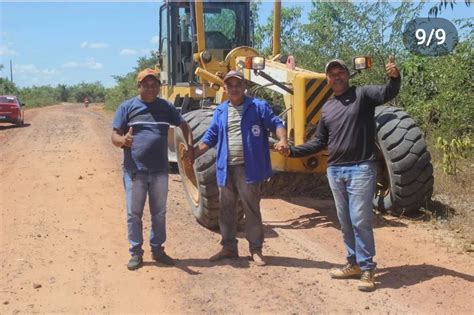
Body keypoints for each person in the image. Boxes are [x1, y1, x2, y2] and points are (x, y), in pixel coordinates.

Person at [275, 57, 400, 291]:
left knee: (360, 219)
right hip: (335, 170)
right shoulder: (328, 108)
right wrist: (291, 151)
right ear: (327, 79)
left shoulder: (363, 95)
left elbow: (386, 92)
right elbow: (319, 142)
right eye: (332, 74)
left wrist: (394, 77)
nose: (337, 76)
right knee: (345, 221)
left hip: (361, 168)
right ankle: (352, 263)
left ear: (347, 74)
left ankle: (367, 269)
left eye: (340, 72)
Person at [189, 70, 288, 266]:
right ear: (224, 88)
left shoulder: (258, 107)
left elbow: (277, 123)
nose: (234, 88)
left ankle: (255, 249)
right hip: (226, 167)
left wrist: (283, 140)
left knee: (251, 209)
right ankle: (228, 247)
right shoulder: (220, 111)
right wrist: (192, 153)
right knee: (226, 210)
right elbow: (210, 138)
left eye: (238, 84)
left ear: (244, 87)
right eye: (230, 85)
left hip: (248, 169)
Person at [111, 68, 192, 270]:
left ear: (159, 86)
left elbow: (185, 126)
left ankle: (158, 250)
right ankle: (136, 253)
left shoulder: (166, 107)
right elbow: (114, 136)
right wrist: (123, 140)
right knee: (134, 213)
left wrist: (189, 149)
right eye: (146, 84)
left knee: (159, 213)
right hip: (135, 171)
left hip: (160, 171)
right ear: (138, 86)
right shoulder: (127, 107)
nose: (150, 87)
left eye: (154, 84)